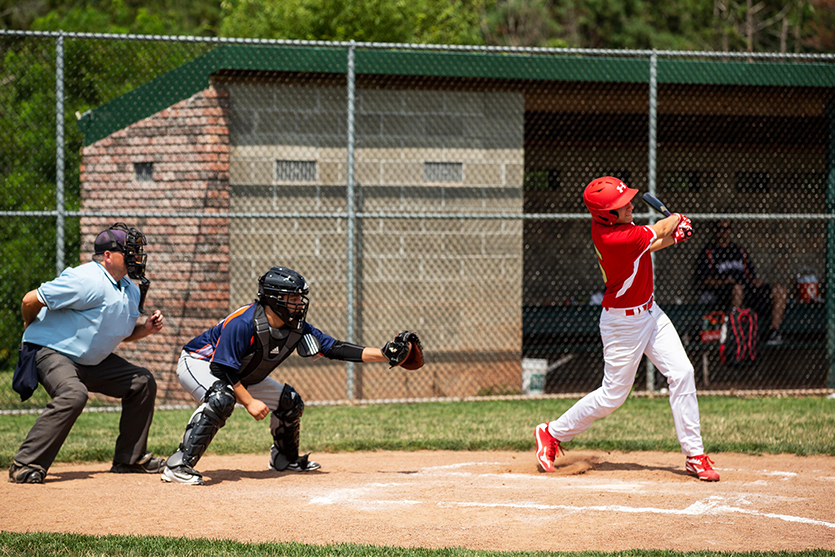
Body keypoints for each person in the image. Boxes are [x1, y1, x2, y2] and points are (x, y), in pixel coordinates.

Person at [161, 265, 423, 485]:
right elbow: (222, 368)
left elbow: (335, 349)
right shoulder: (243, 322)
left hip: (241, 373)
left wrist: (385, 354)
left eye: (300, 299)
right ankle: (178, 466)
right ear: (274, 300)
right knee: (222, 398)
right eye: (293, 299)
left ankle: (284, 458)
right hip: (200, 363)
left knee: (290, 402)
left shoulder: (296, 327)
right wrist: (250, 402)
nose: (299, 304)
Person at [534, 177, 720, 481]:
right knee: (613, 397)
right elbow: (657, 231)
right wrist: (677, 221)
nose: (631, 206)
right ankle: (551, 432)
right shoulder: (613, 238)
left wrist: (676, 234)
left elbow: (653, 242)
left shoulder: (623, 232)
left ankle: (695, 455)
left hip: (650, 312)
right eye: (622, 206)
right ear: (607, 215)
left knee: (682, 372)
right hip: (622, 323)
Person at [9, 223, 166, 484]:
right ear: (107, 256)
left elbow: (121, 333)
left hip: (90, 360)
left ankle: (129, 458)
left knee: (142, 381)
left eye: (136, 252)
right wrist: (29, 324)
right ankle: (25, 463)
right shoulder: (85, 279)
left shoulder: (130, 289)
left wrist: (146, 329)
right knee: (74, 394)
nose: (135, 257)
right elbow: (29, 300)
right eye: (129, 251)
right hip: (52, 351)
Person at [696, 219, 787, 345]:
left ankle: (774, 332)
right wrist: (724, 281)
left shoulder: (739, 251)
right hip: (725, 293)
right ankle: (735, 332)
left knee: (779, 289)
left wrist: (756, 282)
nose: (725, 232)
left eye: (728, 228)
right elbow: (704, 280)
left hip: (748, 290)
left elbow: (751, 275)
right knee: (737, 288)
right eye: (721, 229)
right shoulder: (710, 252)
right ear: (715, 231)